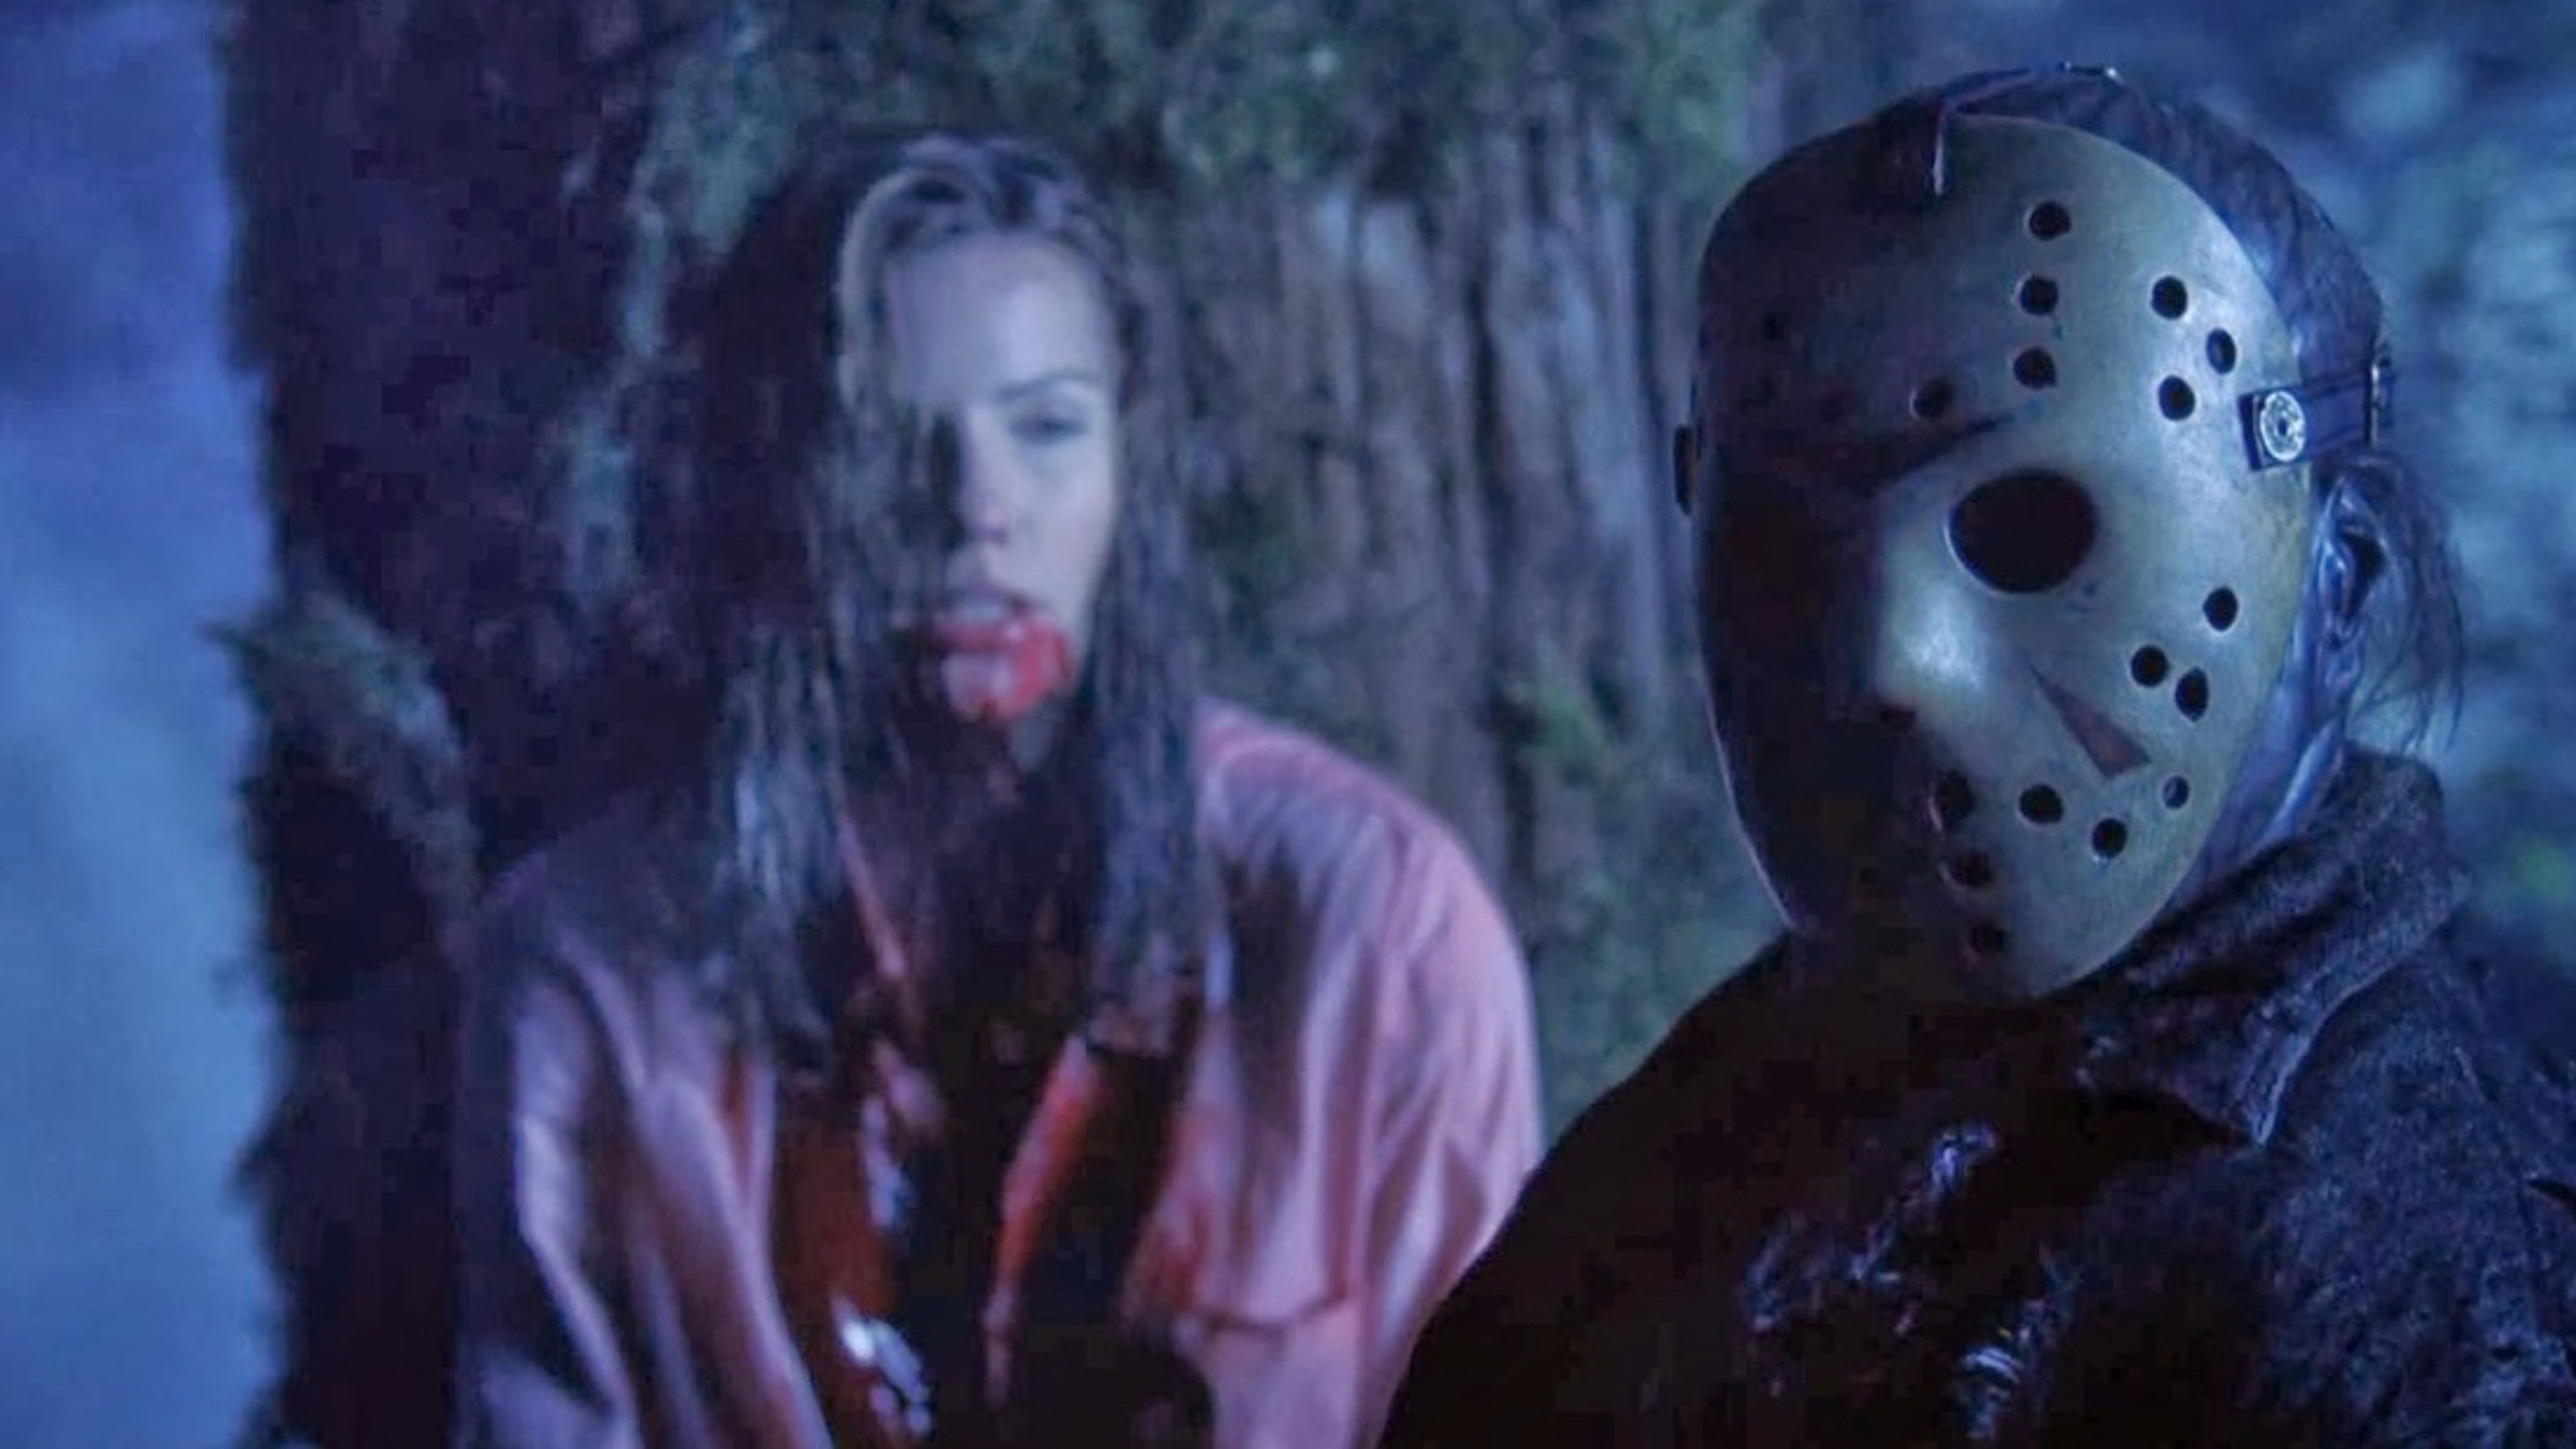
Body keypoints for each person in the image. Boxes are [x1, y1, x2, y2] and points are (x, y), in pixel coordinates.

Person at [1381, 66, 2576, 1446]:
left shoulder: (2419, 1267)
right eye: (1793, 556)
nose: (1890, 667)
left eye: (2024, 533)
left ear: (2337, 588)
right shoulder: (1758, 1087)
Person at [441, 133, 1542, 1448]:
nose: (976, 507)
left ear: (1128, 470)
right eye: (884, 441)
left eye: (1048, 428)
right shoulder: (589, 972)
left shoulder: (1380, 933)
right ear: (774, 481)